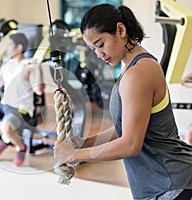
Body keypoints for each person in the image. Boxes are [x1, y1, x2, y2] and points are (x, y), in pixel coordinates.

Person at [54, 4, 192, 200]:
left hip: (171, 184)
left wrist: (74, 156)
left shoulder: (138, 73)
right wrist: (83, 143)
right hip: (163, 184)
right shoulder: (131, 68)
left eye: (101, 44)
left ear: (120, 30)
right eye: (93, 49)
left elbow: (130, 145)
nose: (99, 54)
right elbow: (125, 129)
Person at [0, 33, 45, 166]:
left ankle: (20, 147)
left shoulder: (28, 65)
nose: (7, 49)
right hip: (4, 105)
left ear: (19, 47)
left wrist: (38, 69)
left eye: (9, 46)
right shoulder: (7, 64)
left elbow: (39, 90)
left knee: (5, 128)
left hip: (22, 109)